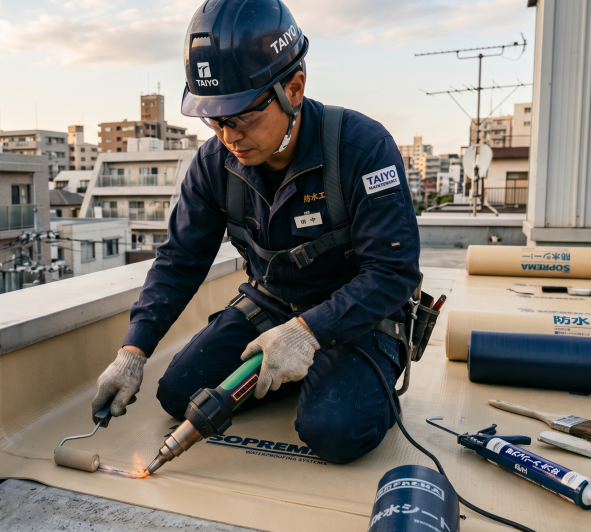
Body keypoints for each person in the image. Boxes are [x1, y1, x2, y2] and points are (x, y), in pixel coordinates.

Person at [91, 0, 421, 464]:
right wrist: (134, 351)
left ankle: (346, 379)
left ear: (294, 88)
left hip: (355, 316)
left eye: (242, 116)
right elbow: (180, 261)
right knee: (179, 394)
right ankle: (301, 370)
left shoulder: (362, 149)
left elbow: (392, 272)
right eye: (215, 120)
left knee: (334, 430)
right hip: (272, 304)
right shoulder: (214, 165)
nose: (229, 136)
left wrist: (307, 334)